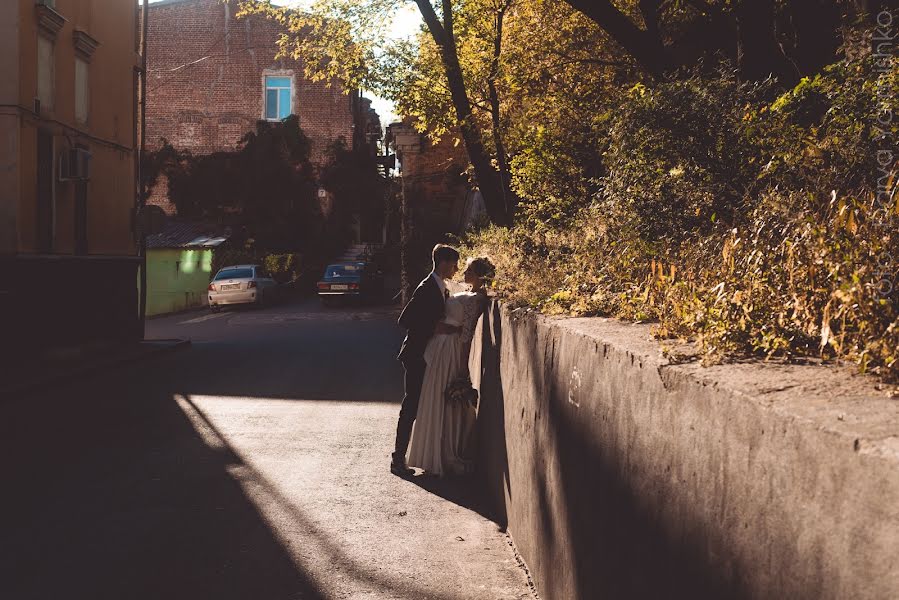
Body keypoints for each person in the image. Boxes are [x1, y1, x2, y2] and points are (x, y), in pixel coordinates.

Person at [406, 257, 494, 477]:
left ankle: (444, 454)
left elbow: (467, 333)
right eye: (462, 267)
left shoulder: (477, 299)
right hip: (440, 346)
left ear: (478, 275)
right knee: (433, 396)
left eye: (469, 269)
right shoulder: (463, 292)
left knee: (444, 400)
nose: (463, 271)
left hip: (451, 351)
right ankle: (429, 452)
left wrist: (463, 365)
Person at [391, 244, 461, 477]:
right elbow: (406, 319)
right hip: (415, 354)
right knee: (411, 406)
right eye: (453, 264)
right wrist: (436, 327)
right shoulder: (426, 287)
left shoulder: (440, 287)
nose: (456, 268)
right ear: (442, 262)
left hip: (427, 354)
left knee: (421, 405)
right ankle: (397, 459)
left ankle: (422, 455)